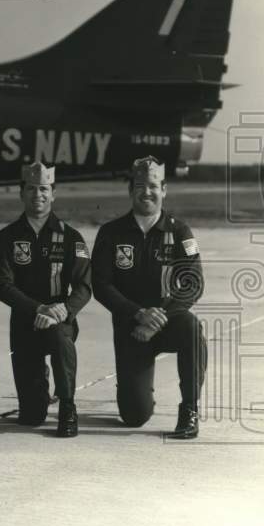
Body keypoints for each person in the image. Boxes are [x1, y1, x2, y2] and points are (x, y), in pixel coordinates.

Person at [91, 156, 207, 439]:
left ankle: (189, 410)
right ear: (130, 190)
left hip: (168, 322)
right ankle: (138, 392)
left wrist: (158, 316)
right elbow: (101, 285)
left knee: (192, 328)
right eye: (140, 186)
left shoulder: (179, 232)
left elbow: (194, 283)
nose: (147, 192)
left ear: (164, 189)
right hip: (132, 329)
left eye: (153, 186)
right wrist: (138, 314)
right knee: (134, 416)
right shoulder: (111, 233)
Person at [0, 162, 91, 437]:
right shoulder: (6, 238)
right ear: (21, 193)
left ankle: (68, 406)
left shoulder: (72, 237)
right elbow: (3, 285)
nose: (38, 194)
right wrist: (37, 308)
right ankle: (39, 388)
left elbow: (84, 287)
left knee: (60, 339)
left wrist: (62, 310)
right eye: (32, 189)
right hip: (25, 324)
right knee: (31, 417)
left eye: (44, 189)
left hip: (59, 321)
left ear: (53, 194)